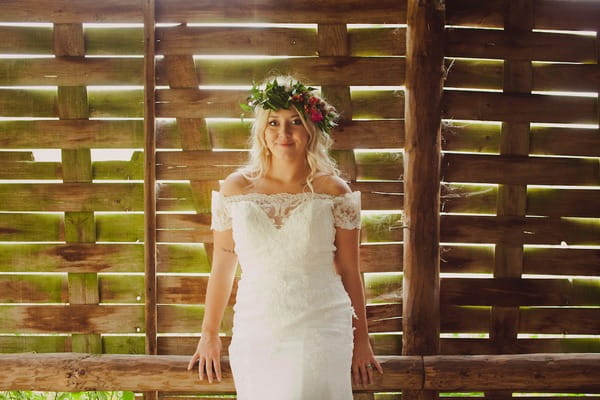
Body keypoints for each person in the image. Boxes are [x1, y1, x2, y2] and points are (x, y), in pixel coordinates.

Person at [187, 76, 383, 398]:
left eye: (295, 122)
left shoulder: (334, 191)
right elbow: (222, 267)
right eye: (273, 123)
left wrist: (362, 341)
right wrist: (209, 333)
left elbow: (349, 270)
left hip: (320, 325)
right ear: (262, 131)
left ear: (311, 129)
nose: (284, 133)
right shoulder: (235, 189)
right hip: (257, 326)